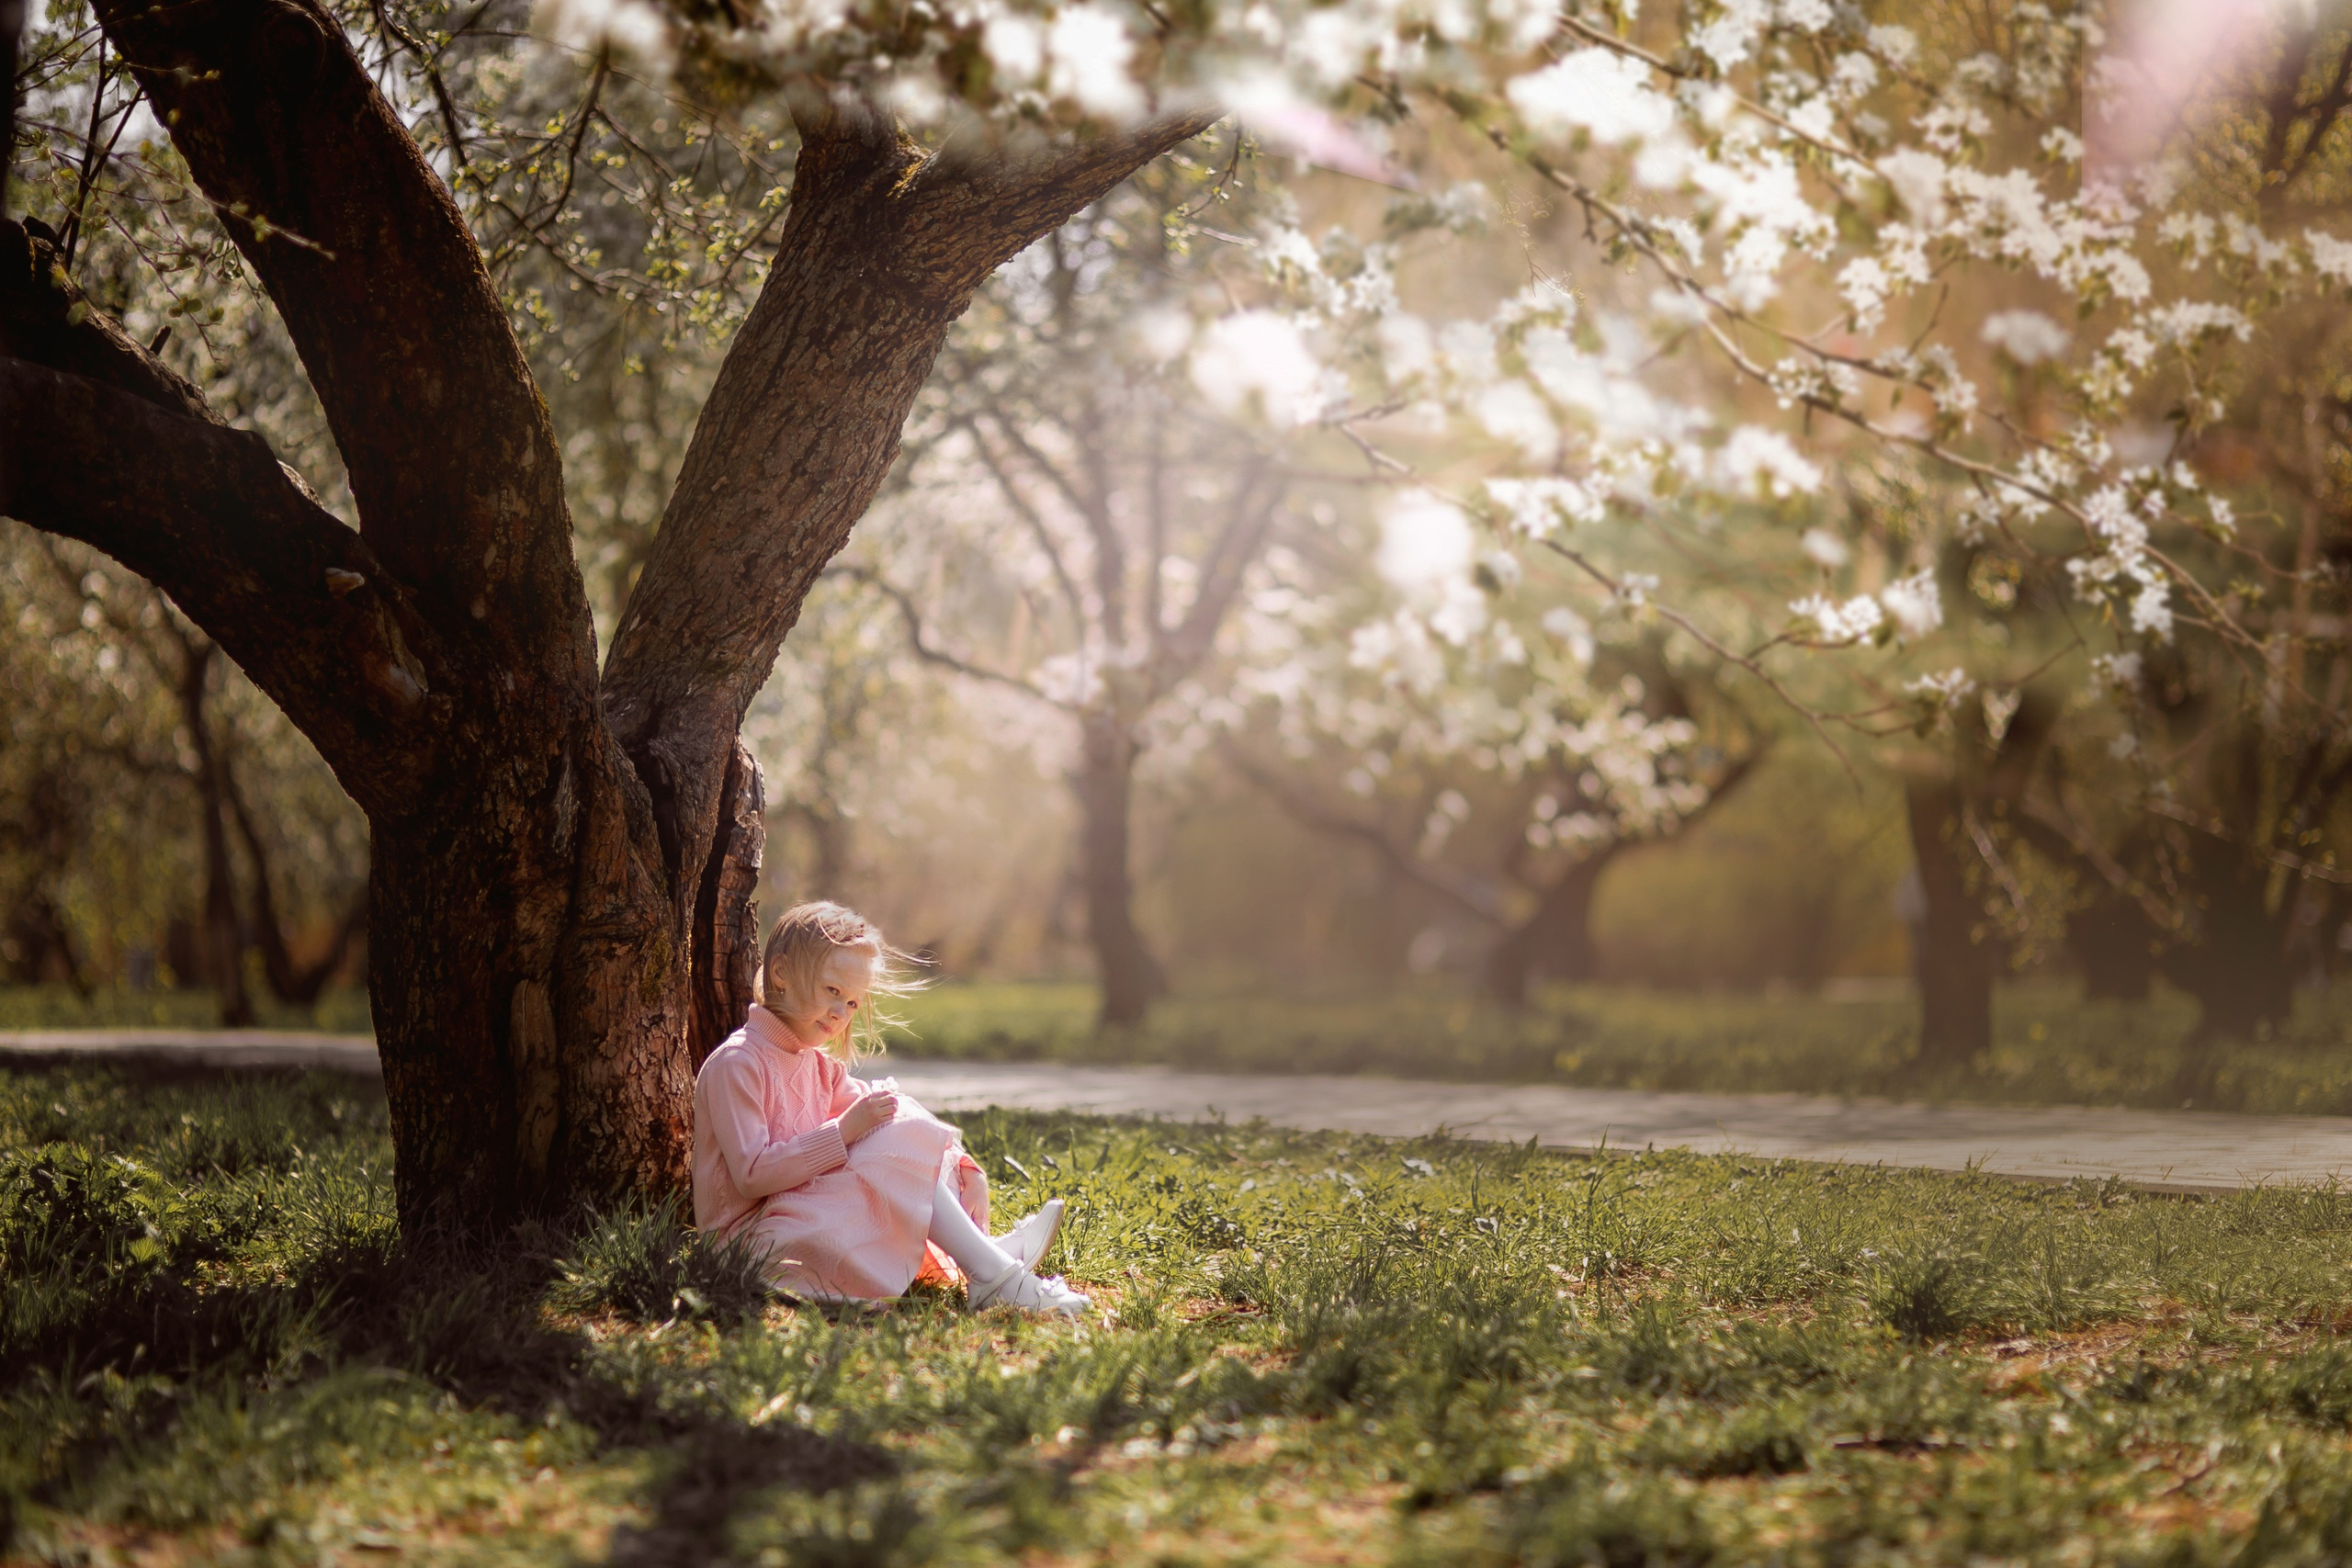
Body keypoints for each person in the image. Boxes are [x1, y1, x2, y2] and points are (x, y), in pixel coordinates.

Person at [692, 900, 1088, 1314]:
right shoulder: (737, 1064)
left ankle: (988, 1259)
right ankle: (994, 1270)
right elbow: (752, 1175)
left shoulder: (815, 1064)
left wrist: (963, 1164)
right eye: (833, 991)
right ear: (780, 974)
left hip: (794, 1218)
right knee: (884, 1145)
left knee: (892, 1126)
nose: (840, 1014)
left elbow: (893, 1116)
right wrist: (843, 1132)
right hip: (749, 1247)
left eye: (852, 1003)